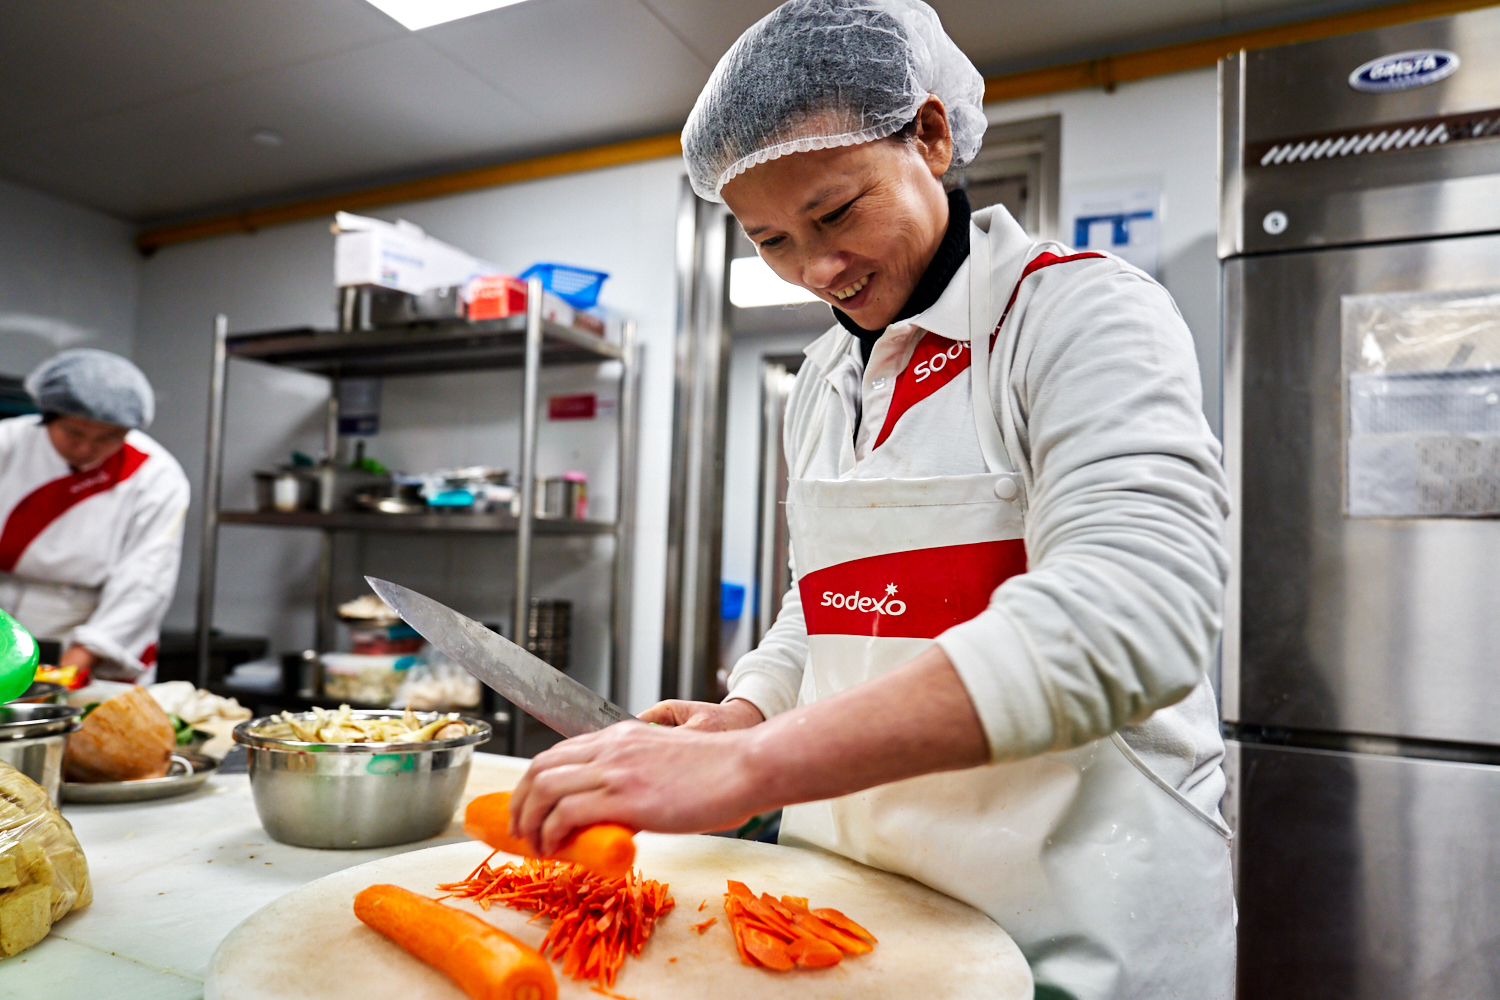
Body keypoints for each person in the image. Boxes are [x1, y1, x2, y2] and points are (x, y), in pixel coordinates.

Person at [508, 2, 1234, 996]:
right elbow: (829, 593)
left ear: (931, 136)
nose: (817, 269)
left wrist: (753, 772)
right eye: (769, 241)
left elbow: (1134, 614)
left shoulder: (1078, 314)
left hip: (1075, 916)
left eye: (836, 214)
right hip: (863, 910)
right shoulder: (819, 379)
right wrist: (751, 710)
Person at [0, 349, 189, 684]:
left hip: (89, 631)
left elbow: (145, 582)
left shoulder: (156, 476)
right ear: (48, 415)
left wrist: (72, 666)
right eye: (73, 432)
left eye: (107, 437)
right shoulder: (8, 443)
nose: (86, 449)